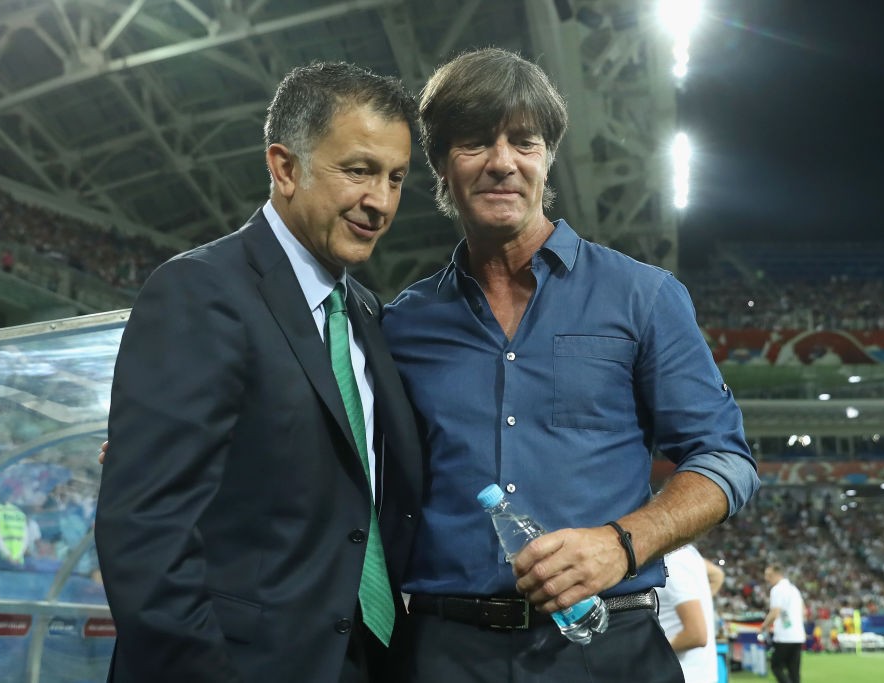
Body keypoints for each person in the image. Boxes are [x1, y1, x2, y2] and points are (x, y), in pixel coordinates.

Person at [381, 48, 759, 682]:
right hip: (444, 653)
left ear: (547, 157)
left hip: (606, 647)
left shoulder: (643, 296)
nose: (503, 162)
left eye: (524, 141)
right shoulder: (402, 324)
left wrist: (622, 541)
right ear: (441, 164)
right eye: (475, 142)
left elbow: (726, 459)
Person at [93, 62, 423, 683]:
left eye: (395, 178)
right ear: (285, 166)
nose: (379, 201)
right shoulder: (199, 291)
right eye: (358, 170)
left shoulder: (368, 315)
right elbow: (147, 532)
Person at [657, 545, 723, 683]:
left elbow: (696, 635)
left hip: (684, 674)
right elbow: (717, 574)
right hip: (697, 673)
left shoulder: (672, 562)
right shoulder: (688, 553)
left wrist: (650, 652)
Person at [760, 564, 805, 683]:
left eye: (768, 575)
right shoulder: (794, 589)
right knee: (794, 671)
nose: (766, 578)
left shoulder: (777, 589)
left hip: (784, 636)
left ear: (776, 574)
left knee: (776, 667)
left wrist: (764, 626)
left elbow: (775, 612)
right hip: (798, 635)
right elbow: (803, 611)